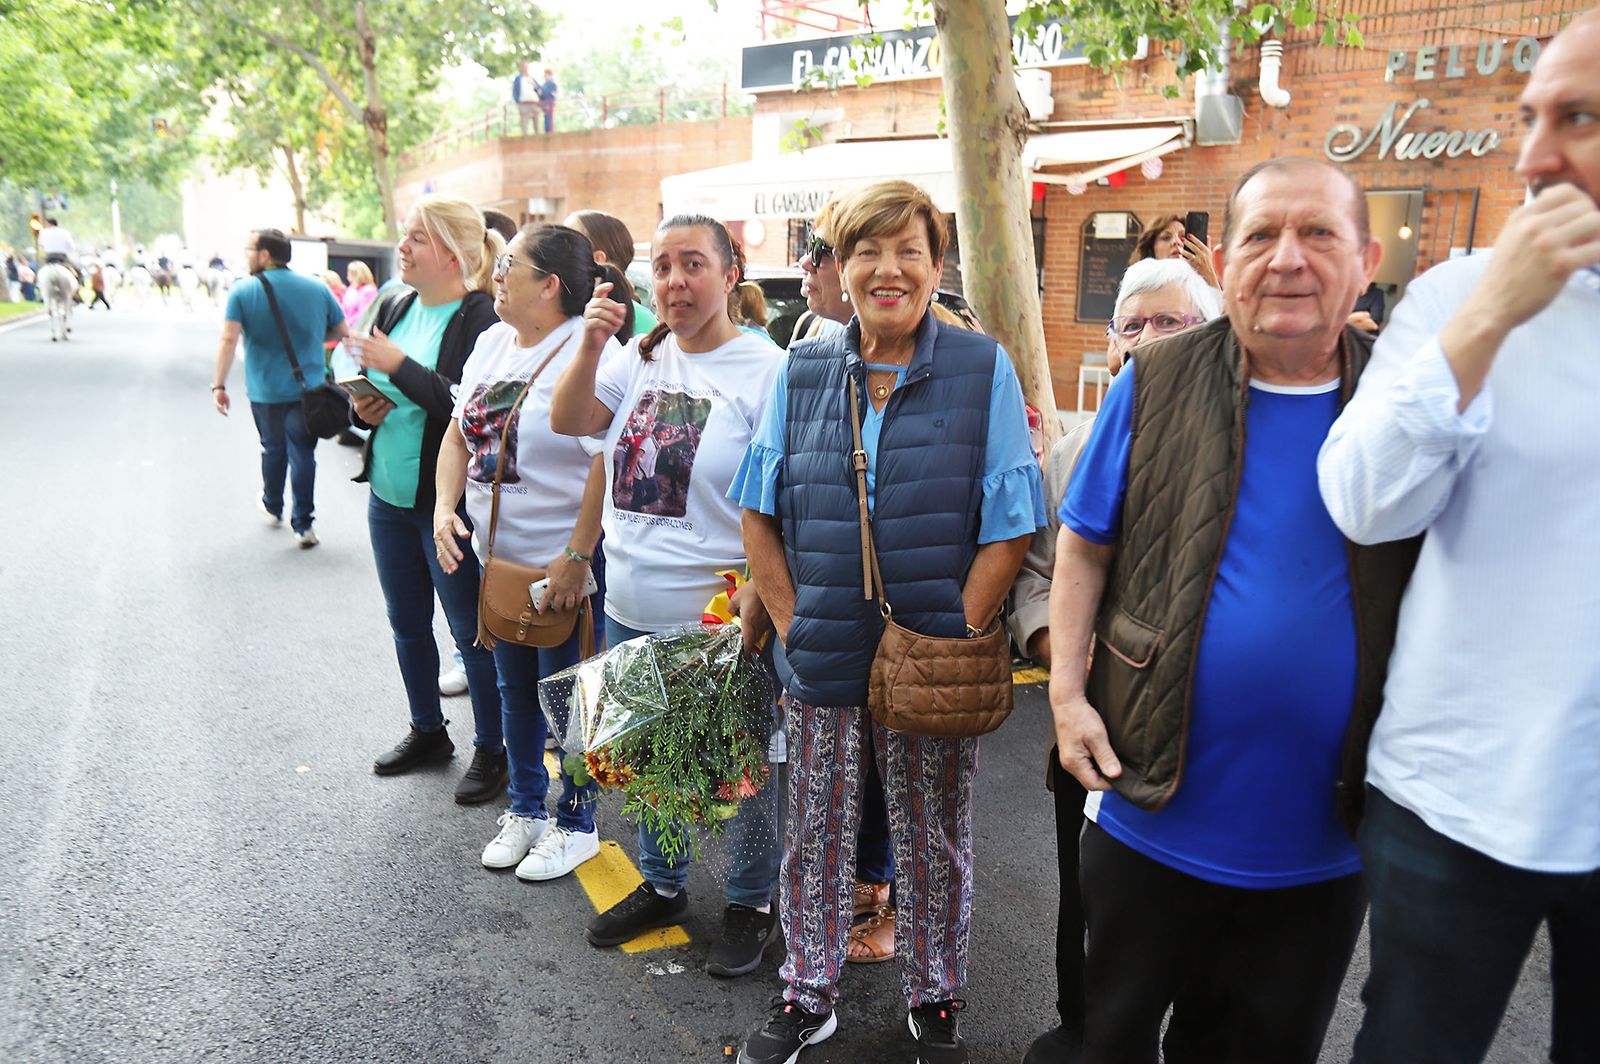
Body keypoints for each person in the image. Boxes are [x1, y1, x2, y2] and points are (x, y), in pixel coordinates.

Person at [1047, 156, 1417, 1064]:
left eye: (1318, 233)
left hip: (1326, 843)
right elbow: (1083, 548)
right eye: (1261, 235)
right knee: (1111, 1040)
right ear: (1225, 264)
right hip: (1149, 812)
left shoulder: (1406, 401)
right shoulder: (1156, 381)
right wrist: (1064, 698)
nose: (1286, 258)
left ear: (1365, 260)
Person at [1319, 13, 1600, 1062]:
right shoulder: (1452, 294)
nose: (1532, 155)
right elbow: (1361, 499)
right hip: (1452, 796)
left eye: (1578, 119)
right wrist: (1487, 320)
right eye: (1528, 115)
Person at [732, 179, 1045, 1064]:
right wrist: (792, 624)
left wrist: (958, 627)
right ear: (840, 268)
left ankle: (936, 996)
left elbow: (1011, 518)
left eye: (909, 249)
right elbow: (759, 509)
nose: (889, 268)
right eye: (867, 250)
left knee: (933, 836)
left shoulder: (982, 367)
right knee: (816, 834)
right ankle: (806, 994)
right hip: (824, 653)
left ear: (937, 265)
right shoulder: (803, 368)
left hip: (933, 657)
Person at [550, 213, 785, 979]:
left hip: (720, 618)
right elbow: (570, 420)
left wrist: (761, 584)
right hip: (630, 604)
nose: (677, 281)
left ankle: (752, 903)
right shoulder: (638, 357)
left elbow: (793, 490)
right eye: (664, 266)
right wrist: (589, 342)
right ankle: (664, 884)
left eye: (694, 264)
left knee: (741, 771)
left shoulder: (766, 369)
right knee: (649, 755)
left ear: (730, 275)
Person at [1010, 256, 1222, 1064]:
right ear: (1108, 349)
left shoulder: (1241, 440)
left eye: (1171, 322)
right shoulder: (1072, 455)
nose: (1147, 339)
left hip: (1207, 732)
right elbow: (1034, 572)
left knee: (1204, 908)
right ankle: (1086, 1028)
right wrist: (1052, 648)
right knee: (1091, 892)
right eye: (1131, 325)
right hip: (1095, 723)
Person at [435, 223, 629, 879]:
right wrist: (443, 508)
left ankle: (576, 822)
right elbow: (459, 436)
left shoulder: (595, 351)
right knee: (513, 690)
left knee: (570, 699)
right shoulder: (491, 342)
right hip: (503, 558)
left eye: (509, 263)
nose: (497, 271)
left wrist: (578, 553)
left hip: (565, 564)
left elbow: (607, 461)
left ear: (549, 285)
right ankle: (527, 809)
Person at [352, 195, 508, 805]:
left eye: (417, 238)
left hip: (444, 504)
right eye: (406, 235)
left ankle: (492, 748)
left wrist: (401, 364)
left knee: (470, 630)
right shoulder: (393, 302)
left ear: (451, 252)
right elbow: (374, 391)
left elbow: (468, 408)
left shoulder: (479, 319)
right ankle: (428, 730)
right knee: (406, 624)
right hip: (387, 495)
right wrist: (361, 407)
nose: (404, 247)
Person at [210, 228, 347, 548]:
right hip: (309, 390)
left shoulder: (243, 291)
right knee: (303, 454)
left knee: (272, 448)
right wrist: (313, 338)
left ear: (265, 255)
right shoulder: (317, 287)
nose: (246, 256)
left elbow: (229, 339)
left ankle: (273, 505)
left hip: (265, 391)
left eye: (249, 250)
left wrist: (218, 384)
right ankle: (304, 525)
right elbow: (342, 331)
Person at [564, 209, 654, 336]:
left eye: (568, 244)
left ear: (598, 259)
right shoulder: (562, 311)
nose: (557, 251)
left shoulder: (641, 320)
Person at [1129, 212, 1219, 289]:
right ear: (1151, 247)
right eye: (1166, 238)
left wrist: (1209, 275)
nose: (1177, 242)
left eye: (1183, 237)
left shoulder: (1201, 285)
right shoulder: (1139, 285)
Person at [341, 260, 379, 331]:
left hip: (359, 330)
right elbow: (343, 308)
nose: (348, 277)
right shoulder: (350, 289)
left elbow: (365, 313)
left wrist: (349, 322)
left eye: (350, 274)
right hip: (347, 329)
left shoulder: (369, 291)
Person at [512, 61, 540, 136]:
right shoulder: (518, 78)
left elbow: (538, 89)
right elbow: (515, 91)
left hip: (534, 103)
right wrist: (517, 102)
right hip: (523, 103)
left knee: (536, 122)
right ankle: (525, 139)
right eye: (525, 67)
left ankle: (537, 137)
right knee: (524, 123)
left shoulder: (532, 78)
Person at [538, 67, 557, 133]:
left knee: (548, 118)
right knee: (547, 118)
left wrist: (542, 91)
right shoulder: (545, 84)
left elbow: (552, 93)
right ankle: (548, 131)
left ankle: (549, 132)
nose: (545, 77)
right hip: (545, 103)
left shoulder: (552, 84)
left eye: (546, 75)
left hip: (549, 103)